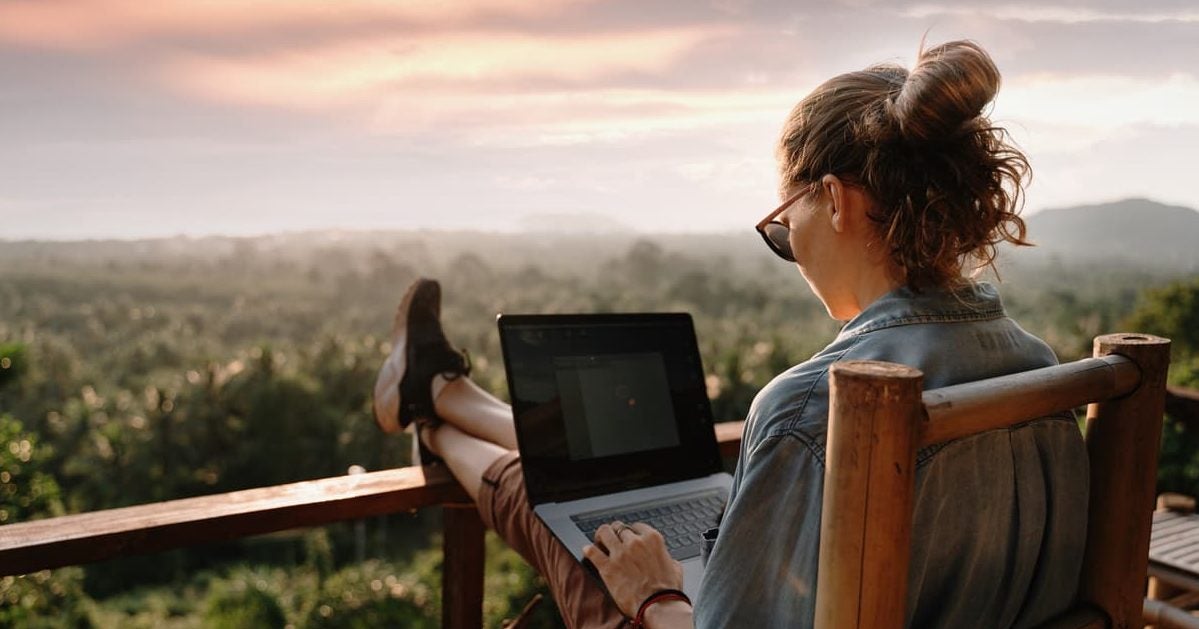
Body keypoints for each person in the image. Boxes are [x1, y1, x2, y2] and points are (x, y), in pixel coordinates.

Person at [372, 39, 1088, 628]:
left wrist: (655, 593)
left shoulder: (817, 406)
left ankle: (432, 414)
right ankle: (443, 397)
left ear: (833, 200)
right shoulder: (1039, 370)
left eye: (783, 224)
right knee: (585, 492)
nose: (789, 245)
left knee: (566, 515)